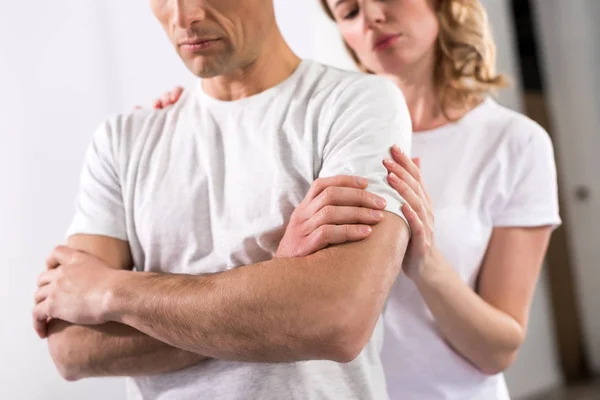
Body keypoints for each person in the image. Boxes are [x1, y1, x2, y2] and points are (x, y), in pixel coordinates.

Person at [153, 0, 562, 399]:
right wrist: (197, 115)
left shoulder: (515, 144)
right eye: (349, 11)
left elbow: (498, 350)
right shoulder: (327, 131)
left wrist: (426, 265)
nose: (373, 18)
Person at [32, 1, 414, 399]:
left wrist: (110, 292)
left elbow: (337, 319)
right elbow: (73, 347)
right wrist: (276, 287)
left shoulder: (356, 104)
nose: (184, 19)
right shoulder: (123, 141)